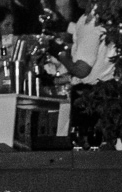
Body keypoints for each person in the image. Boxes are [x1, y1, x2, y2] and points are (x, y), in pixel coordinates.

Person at [50, 0, 116, 148]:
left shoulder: (91, 23)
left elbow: (81, 70)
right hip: (106, 90)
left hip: (89, 97)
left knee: (85, 152)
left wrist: (60, 54)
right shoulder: (102, 18)